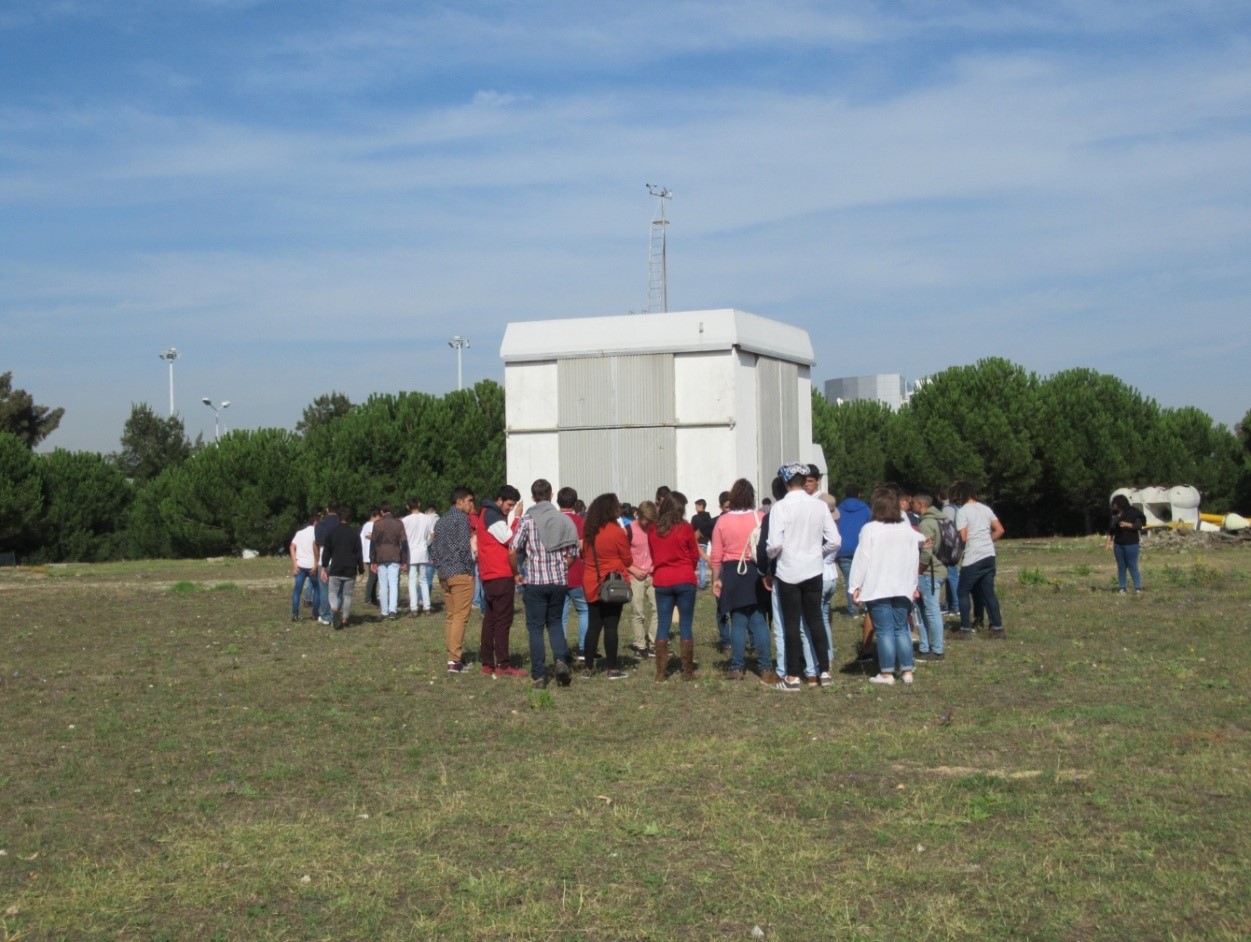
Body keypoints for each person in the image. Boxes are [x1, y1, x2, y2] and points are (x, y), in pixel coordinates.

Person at [765, 464, 841, 691]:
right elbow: (835, 540)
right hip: (814, 569)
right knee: (816, 619)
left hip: (789, 571)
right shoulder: (818, 506)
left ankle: (792, 676)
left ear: (787, 483)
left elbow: (774, 544)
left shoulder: (780, 507)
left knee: (791, 624)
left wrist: (774, 556)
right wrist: (819, 553)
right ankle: (824, 671)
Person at [849, 486, 925, 685]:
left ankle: (887, 673)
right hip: (903, 586)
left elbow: (862, 559)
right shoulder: (906, 529)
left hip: (878, 586)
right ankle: (907, 670)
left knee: (884, 631)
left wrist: (855, 586)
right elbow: (914, 556)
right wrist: (914, 584)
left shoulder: (870, 529)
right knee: (901, 628)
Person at [510, 479, 579, 688]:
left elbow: (513, 549)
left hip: (535, 581)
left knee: (536, 629)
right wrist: (561, 567)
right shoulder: (563, 519)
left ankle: (539, 675)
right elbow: (574, 552)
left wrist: (516, 573)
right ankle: (559, 660)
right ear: (551, 494)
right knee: (555, 623)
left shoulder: (528, 519)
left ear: (533, 497)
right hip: (558, 581)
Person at [710, 478, 773, 681]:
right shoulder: (760, 517)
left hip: (732, 572)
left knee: (737, 620)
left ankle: (737, 666)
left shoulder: (723, 520)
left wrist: (715, 580)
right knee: (759, 620)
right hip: (755, 571)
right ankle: (765, 667)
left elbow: (716, 556)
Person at [581, 493, 639, 679]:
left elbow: (584, 555)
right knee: (611, 626)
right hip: (612, 583)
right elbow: (627, 558)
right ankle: (612, 668)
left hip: (591, 581)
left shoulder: (589, 530)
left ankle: (588, 668)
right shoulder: (616, 532)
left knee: (593, 626)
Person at [648, 492, 701, 680]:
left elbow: (654, 555)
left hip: (662, 580)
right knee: (685, 624)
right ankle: (687, 672)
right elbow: (695, 554)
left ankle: (661, 672)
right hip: (684, 578)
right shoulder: (685, 528)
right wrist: (687, 568)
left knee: (663, 624)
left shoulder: (653, 529)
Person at [476, 485, 522, 677]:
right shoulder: (492, 515)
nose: (510, 509)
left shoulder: (487, 513)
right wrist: (518, 518)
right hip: (500, 574)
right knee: (503, 620)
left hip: (489, 574)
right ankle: (503, 664)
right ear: (500, 499)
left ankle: (488, 662)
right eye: (509, 505)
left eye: (513, 507)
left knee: (491, 619)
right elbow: (510, 539)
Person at [429, 487, 477, 672]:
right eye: (469, 500)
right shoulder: (461, 519)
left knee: (450, 616)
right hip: (460, 572)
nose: (472, 504)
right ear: (459, 502)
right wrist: (470, 569)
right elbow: (465, 548)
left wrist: (441, 564)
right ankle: (455, 659)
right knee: (460, 617)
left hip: (444, 573)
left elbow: (433, 548)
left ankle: (452, 656)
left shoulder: (440, 521)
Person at [951, 481, 1006, 640]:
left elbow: (963, 537)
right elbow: (1000, 529)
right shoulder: (985, 508)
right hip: (989, 555)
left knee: (962, 592)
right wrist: (987, 540)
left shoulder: (963, 512)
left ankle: (965, 629)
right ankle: (997, 628)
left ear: (961, 495)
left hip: (973, 557)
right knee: (988, 592)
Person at [913, 491, 947, 661]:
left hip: (929, 572)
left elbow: (926, 550)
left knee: (932, 611)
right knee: (922, 610)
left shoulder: (926, 523)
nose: (912, 506)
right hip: (938, 568)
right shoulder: (941, 519)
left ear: (921, 505)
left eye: (914, 503)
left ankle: (937, 650)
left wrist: (918, 570)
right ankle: (925, 647)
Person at [556, 488, 590, 659]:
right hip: (576, 571)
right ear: (575, 502)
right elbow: (582, 545)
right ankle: (583, 647)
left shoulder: (554, 520)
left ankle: (561, 649)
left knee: (560, 616)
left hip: (556, 573)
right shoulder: (578, 520)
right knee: (584, 610)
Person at [319, 506, 364, 630]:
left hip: (336, 568)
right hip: (350, 569)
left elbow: (327, 551)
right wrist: (361, 570)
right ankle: (345, 619)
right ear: (350, 519)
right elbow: (358, 554)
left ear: (339, 518)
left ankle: (334, 609)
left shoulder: (332, 533)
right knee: (348, 595)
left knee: (332, 592)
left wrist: (324, 566)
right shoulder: (355, 534)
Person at [627, 500, 659, 659]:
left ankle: (654, 644)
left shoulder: (654, 529)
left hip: (652, 575)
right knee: (638, 612)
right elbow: (622, 556)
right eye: (646, 520)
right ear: (639, 515)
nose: (648, 524)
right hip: (635, 576)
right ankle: (640, 645)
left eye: (651, 521)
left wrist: (654, 566)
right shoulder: (628, 530)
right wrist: (633, 570)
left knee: (658, 609)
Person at [369, 501, 409, 620]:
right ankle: (393, 610)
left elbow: (373, 543)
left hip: (381, 556)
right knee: (393, 584)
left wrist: (372, 560)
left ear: (382, 511)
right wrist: (404, 560)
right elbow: (404, 543)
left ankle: (384, 611)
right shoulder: (399, 524)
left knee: (383, 585)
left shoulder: (377, 524)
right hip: (395, 555)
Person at [835, 486, 871, 617]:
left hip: (844, 549)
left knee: (849, 581)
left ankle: (853, 610)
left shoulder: (838, 509)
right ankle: (867, 608)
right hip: (862, 549)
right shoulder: (866, 509)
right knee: (866, 579)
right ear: (859, 494)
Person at [1107, 494, 1146, 594]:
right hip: (1118, 544)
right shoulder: (1114, 515)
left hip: (1131, 543)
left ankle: (1138, 588)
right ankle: (1122, 588)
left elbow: (1139, 526)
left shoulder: (1133, 513)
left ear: (1120, 503)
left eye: (1115, 503)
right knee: (1121, 566)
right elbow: (1111, 530)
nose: (1113, 505)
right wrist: (1108, 542)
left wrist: (1127, 524)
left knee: (1132, 565)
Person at [403, 498, 435, 615]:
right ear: (419, 504)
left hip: (411, 553)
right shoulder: (427, 518)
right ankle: (427, 606)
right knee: (423, 580)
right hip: (423, 551)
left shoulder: (405, 520)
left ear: (408, 506)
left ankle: (414, 608)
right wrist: (426, 544)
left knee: (412, 581)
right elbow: (432, 535)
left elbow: (403, 538)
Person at [313, 500, 341, 624]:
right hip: (339, 560)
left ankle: (325, 616)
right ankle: (335, 613)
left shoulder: (320, 525)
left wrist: (318, 558)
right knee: (337, 590)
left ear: (327, 509)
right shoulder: (341, 524)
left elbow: (316, 544)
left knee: (324, 590)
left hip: (324, 560)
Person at [289, 513, 320, 622]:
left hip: (300, 565)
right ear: (316, 522)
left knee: (297, 591)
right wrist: (316, 564)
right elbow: (317, 549)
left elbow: (292, 547)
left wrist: (295, 563)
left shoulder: (299, 533)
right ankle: (315, 613)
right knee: (317, 590)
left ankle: (295, 613)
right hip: (312, 566)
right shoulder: (317, 533)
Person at [691, 499, 714, 590]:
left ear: (701, 506)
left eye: (696, 506)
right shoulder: (709, 518)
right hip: (704, 543)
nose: (695, 508)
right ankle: (702, 583)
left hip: (695, 543)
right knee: (702, 564)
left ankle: (695, 582)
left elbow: (691, 531)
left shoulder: (695, 518)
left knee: (693, 563)